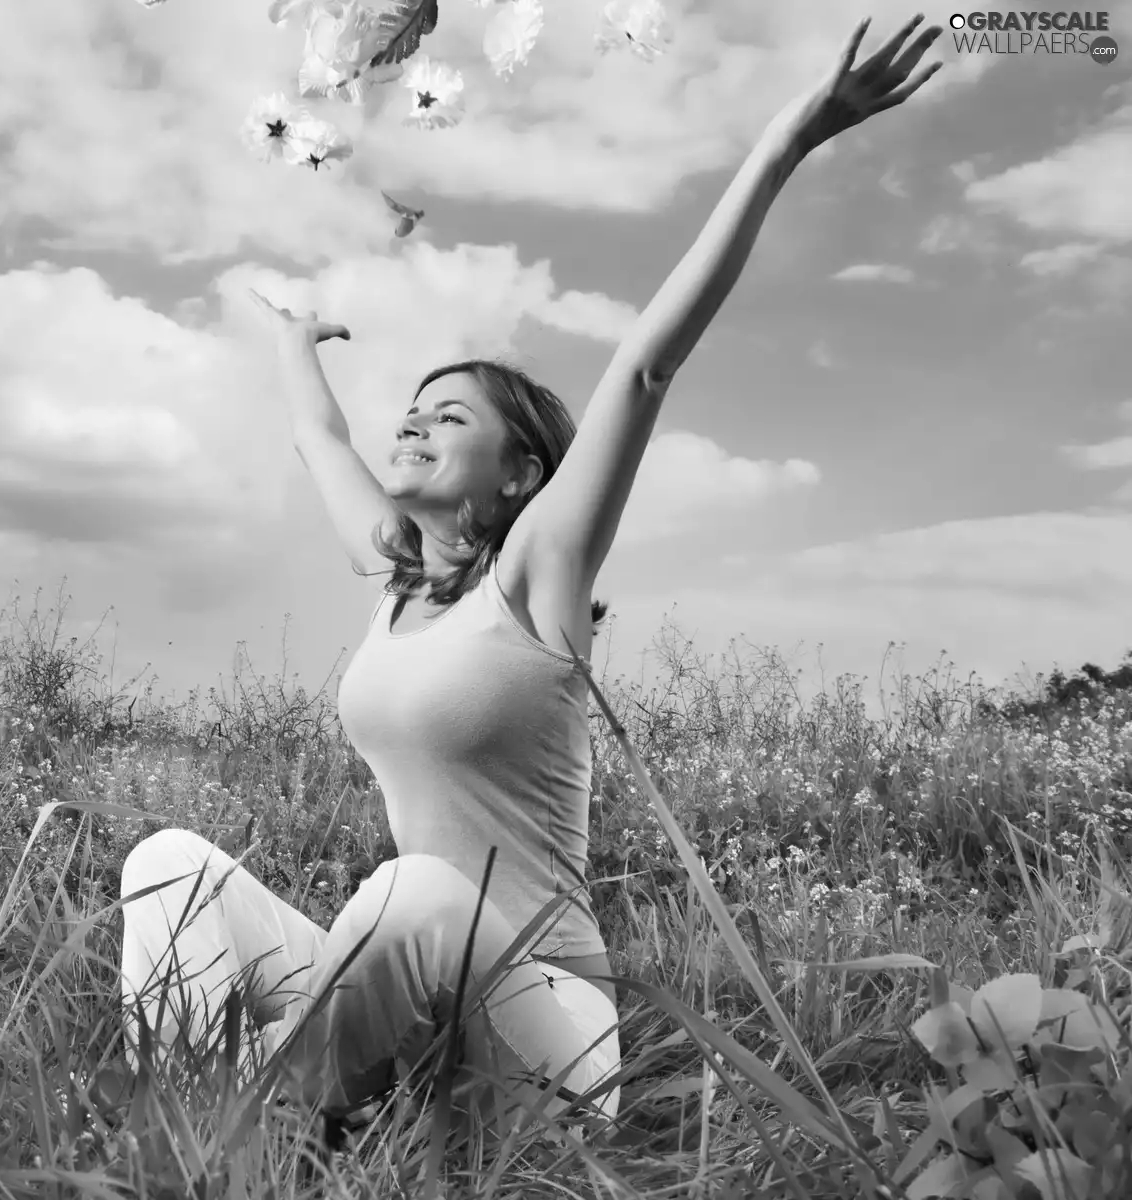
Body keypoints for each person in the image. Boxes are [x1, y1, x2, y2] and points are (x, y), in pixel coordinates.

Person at [118, 14, 944, 1132]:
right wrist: (293, 341)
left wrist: (792, 138)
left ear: (519, 479)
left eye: (449, 415)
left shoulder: (538, 577)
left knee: (410, 895)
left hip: (543, 1022)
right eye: (413, 407)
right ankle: (178, 1125)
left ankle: (245, 1120)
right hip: (417, 983)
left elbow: (647, 364)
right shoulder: (400, 578)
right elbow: (322, 441)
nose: (411, 421)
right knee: (172, 861)